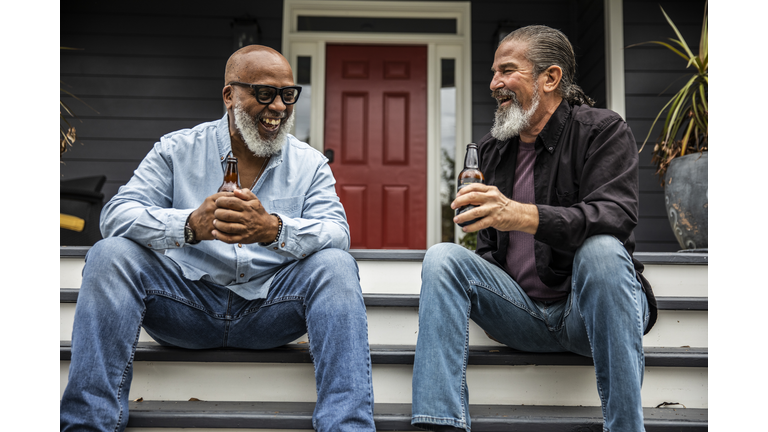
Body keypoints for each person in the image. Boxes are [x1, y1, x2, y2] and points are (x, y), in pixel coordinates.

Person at [60, 45, 376, 432]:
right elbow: (116, 215)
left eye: (287, 94)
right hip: (184, 306)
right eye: (264, 93)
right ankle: (88, 425)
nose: (278, 106)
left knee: (336, 264)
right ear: (230, 95)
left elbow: (337, 232)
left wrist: (274, 230)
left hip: (270, 310)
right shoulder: (177, 149)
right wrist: (189, 225)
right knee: (110, 254)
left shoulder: (310, 163)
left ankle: (348, 427)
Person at [411, 26, 658, 432]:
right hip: (522, 313)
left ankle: (625, 428)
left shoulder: (602, 130)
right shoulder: (491, 149)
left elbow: (614, 215)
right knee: (443, 257)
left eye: (507, 71)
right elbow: (489, 249)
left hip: (587, 314)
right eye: (493, 73)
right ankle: (441, 422)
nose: (495, 84)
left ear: (550, 78)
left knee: (602, 250)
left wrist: (521, 215)